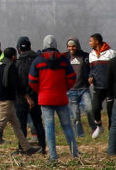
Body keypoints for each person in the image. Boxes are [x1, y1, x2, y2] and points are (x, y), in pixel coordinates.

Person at [28, 35, 78, 163]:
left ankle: (53, 156)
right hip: (61, 97)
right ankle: (74, 153)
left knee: (49, 127)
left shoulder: (37, 61)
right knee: (67, 126)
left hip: (45, 99)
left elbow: (32, 81)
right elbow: (72, 78)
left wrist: (41, 91)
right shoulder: (63, 60)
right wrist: (64, 89)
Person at [0, 48, 41, 157]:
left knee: (16, 125)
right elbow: (17, 84)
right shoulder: (11, 67)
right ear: (13, 56)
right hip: (6, 101)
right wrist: (27, 97)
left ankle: (26, 148)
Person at [15, 36, 46, 153]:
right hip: (36, 95)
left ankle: (22, 148)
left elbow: (17, 82)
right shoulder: (37, 60)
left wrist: (24, 95)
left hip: (21, 97)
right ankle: (43, 147)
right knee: (38, 122)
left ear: (19, 49)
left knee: (21, 125)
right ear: (30, 47)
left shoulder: (17, 63)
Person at [64, 37, 96, 138]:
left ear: (77, 46)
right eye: (69, 46)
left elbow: (92, 68)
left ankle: (95, 129)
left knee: (90, 109)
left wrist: (91, 76)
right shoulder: (65, 58)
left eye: (73, 46)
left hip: (83, 89)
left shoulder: (85, 56)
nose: (71, 48)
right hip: (71, 91)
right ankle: (80, 135)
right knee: (75, 117)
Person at [88, 32, 115, 138]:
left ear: (97, 41)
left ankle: (112, 133)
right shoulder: (91, 55)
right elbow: (92, 69)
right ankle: (99, 126)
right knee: (94, 108)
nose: (89, 43)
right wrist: (90, 76)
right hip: (97, 87)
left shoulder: (111, 53)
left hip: (110, 87)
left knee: (110, 111)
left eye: (91, 41)